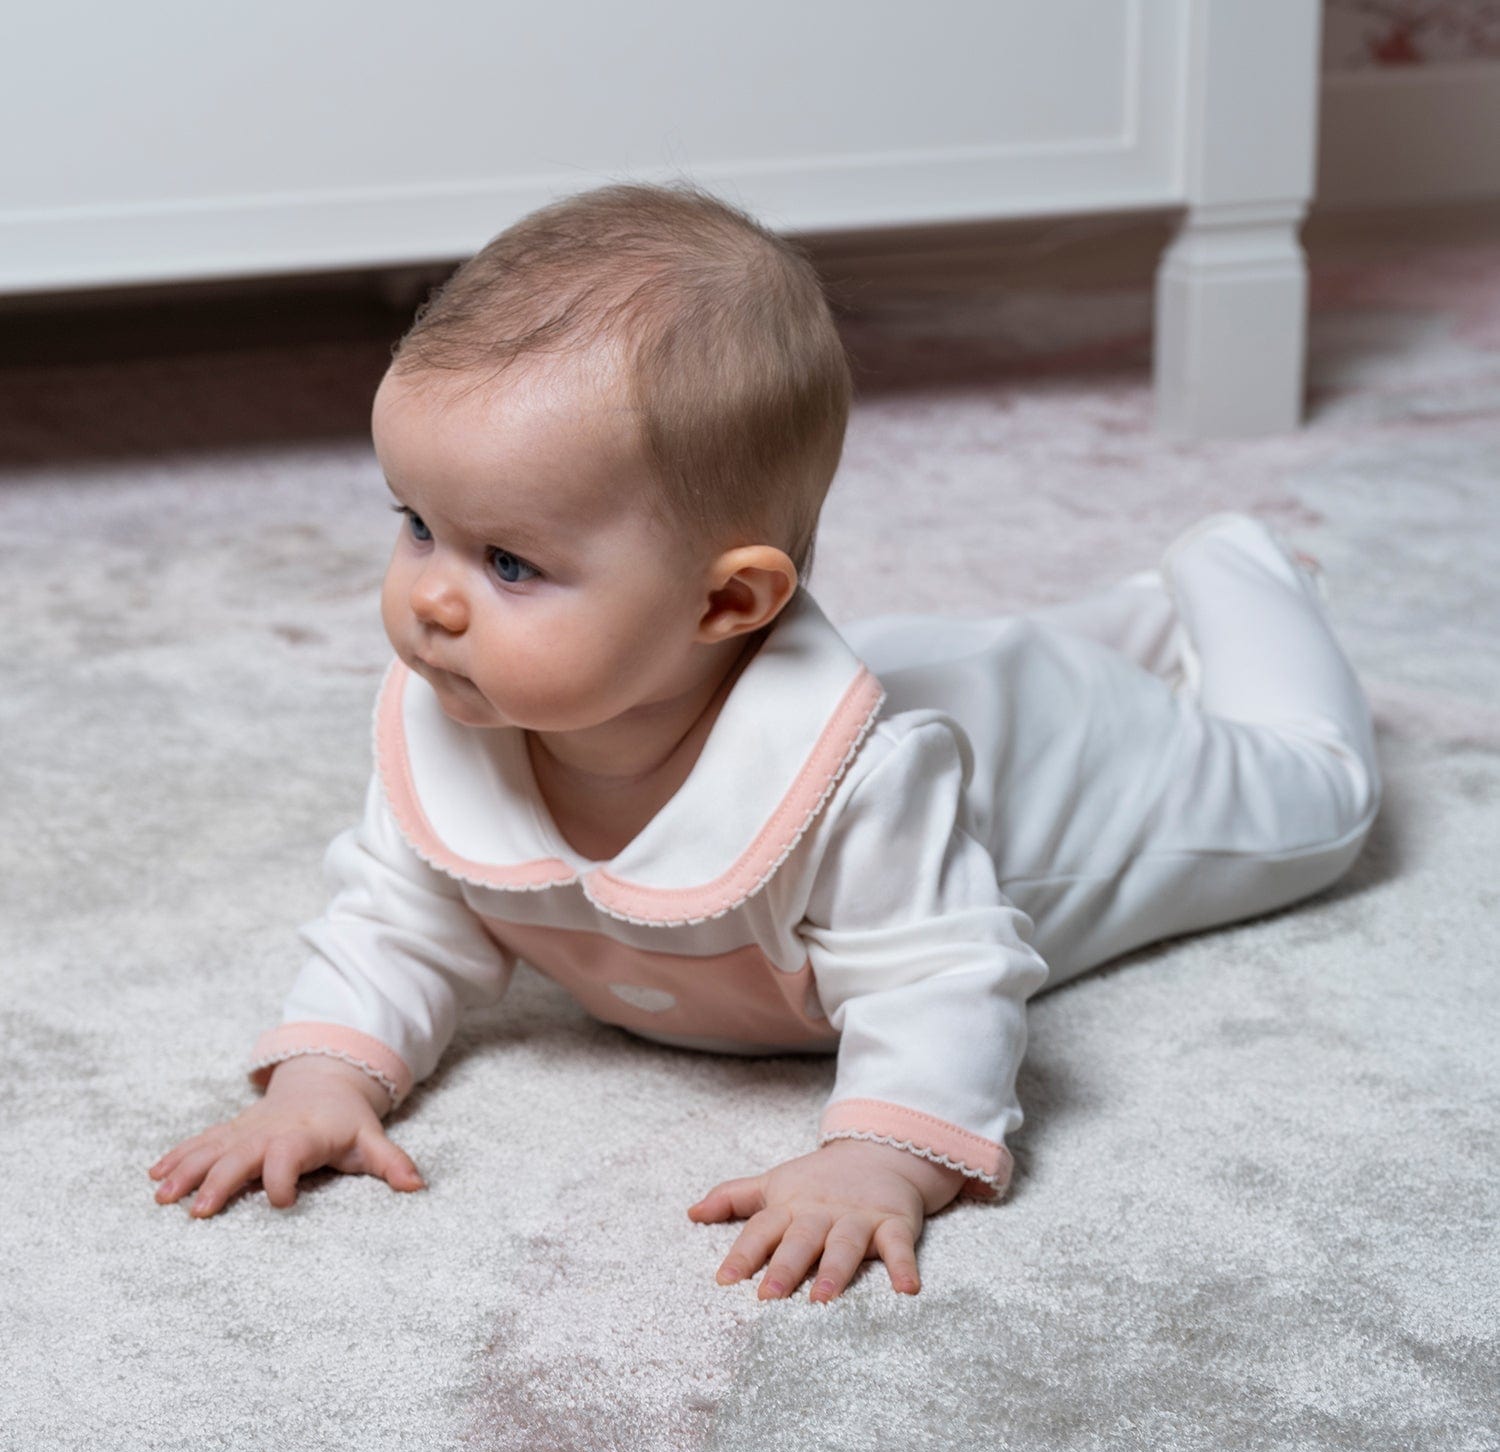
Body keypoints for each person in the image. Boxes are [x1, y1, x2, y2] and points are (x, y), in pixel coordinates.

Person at [148, 180, 1381, 1305]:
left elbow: (938, 980)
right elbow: (397, 918)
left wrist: (879, 1155)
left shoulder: (866, 785)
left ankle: (1231, 566)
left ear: (730, 603)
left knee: (1318, 801)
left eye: (509, 561)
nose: (430, 597)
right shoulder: (456, 704)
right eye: (416, 524)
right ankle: (1125, 616)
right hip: (858, 673)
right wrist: (324, 1080)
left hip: (1077, 776)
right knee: (969, 653)